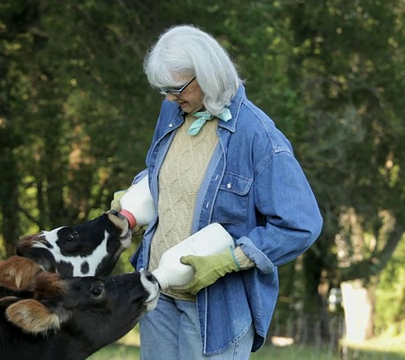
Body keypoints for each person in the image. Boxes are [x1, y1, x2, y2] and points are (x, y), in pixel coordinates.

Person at [112, 24, 323, 359]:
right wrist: (136, 191)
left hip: (216, 311)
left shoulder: (258, 137)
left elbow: (300, 224)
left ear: (206, 76)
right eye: (163, 90)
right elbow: (166, 171)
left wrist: (230, 260)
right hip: (158, 293)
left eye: (176, 88)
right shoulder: (173, 111)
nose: (169, 97)